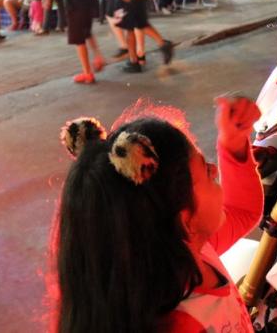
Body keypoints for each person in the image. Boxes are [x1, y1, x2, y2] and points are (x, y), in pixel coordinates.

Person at [51, 97, 263, 332]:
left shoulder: (189, 251)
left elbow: (242, 211)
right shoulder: (181, 323)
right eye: (206, 170)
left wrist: (233, 145)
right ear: (185, 219)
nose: (214, 170)